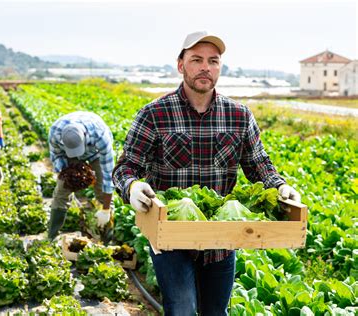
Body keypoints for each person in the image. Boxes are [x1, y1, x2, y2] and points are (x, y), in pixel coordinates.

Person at [112, 31, 301, 315]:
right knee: (183, 309)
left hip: (221, 241)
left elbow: (259, 165)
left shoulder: (239, 116)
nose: (205, 67)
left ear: (220, 68)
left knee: (216, 312)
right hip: (171, 238)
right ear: (181, 65)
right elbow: (125, 168)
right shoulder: (154, 114)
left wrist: (281, 187)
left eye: (213, 61)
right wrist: (131, 186)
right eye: (196, 60)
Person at [47, 111, 115, 240]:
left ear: (84, 136)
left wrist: (105, 209)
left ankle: (107, 238)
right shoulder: (55, 133)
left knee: (102, 191)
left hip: (95, 153)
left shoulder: (100, 135)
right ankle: (52, 235)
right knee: (61, 191)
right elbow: (57, 156)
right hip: (68, 154)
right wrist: (67, 176)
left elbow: (108, 174)